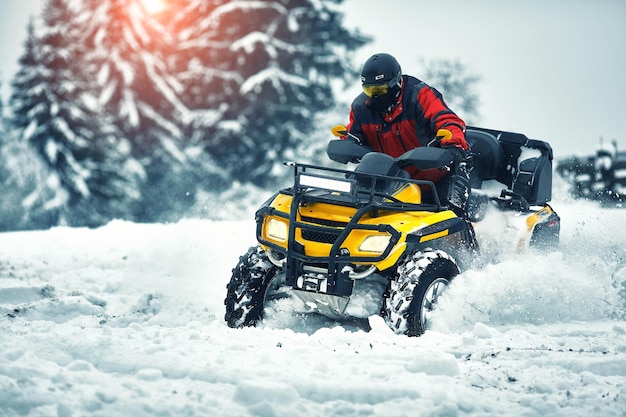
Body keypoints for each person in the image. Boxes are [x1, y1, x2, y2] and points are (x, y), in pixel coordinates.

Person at [343, 52, 472, 220]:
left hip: (433, 176)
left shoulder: (419, 95)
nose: (374, 95)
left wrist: (453, 145)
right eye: (369, 89)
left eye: (380, 89)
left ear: (395, 83)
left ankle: (465, 245)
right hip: (387, 180)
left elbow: (447, 120)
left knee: (451, 219)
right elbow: (353, 133)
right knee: (351, 210)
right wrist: (347, 144)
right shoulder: (361, 107)